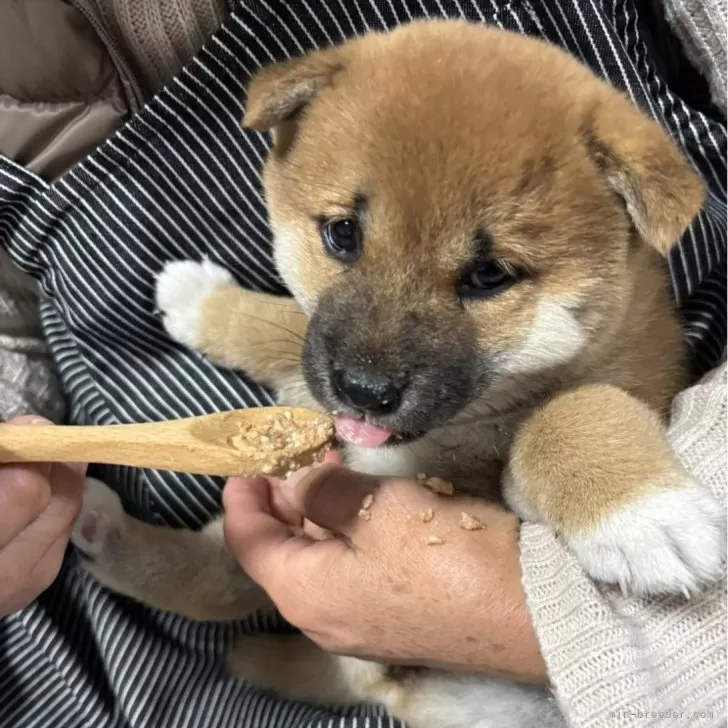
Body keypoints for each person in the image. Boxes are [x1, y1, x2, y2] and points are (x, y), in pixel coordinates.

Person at [0, 1, 725, 727]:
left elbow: (595, 419)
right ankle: (202, 581)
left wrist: (584, 573)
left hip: (612, 658)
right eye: (344, 237)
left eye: (488, 276)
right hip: (168, 626)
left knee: (573, 422)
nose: (370, 370)